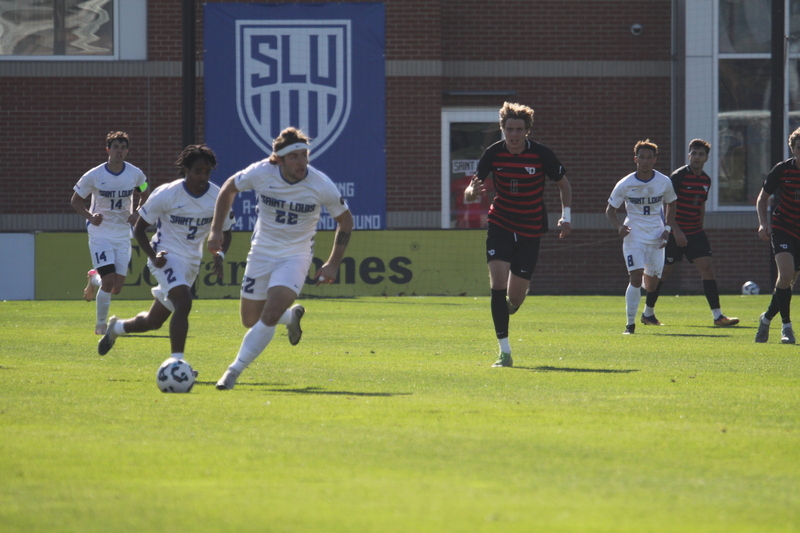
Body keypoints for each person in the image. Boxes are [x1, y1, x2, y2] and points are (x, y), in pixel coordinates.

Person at [208, 127, 354, 390]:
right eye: (295, 157)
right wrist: (216, 229)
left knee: (270, 313)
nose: (303, 162)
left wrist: (332, 262)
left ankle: (232, 372)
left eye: (304, 155)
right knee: (250, 321)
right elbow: (229, 188)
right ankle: (291, 317)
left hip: (295, 257)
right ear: (280, 159)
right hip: (261, 253)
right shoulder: (262, 172)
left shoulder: (320, 184)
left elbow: (345, 221)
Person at [97, 144, 234, 360]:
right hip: (165, 256)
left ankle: (117, 329)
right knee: (184, 302)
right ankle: (176, 363)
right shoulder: (168, 194)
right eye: (198, 171)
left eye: (207, 172)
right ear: (186, 171)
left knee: (153, 321)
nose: (203, 177)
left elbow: (226, 232)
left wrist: (221, 254)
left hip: (191, 264)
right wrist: (153, 256)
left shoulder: (217, 198)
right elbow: (140, 228)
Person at [463, 102, 572, 368]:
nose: (513, 134)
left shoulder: (541, 155)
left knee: (516, 297)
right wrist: (472, 193)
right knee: (497, 286)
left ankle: (510, 307)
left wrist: (565, 215)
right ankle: (505, 352)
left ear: (527, 131)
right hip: (499, 223)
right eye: (509, 129)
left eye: (518, 130)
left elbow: (563, 184)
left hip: (530, 228)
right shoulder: (493, 153)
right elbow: (469, 191)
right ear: (502, 129)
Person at [641, 139, 739, 327]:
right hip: (673, 231)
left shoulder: (706, 180)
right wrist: (675, 230)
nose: (697, 157)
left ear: (706, 158)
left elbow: (701, 204)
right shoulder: (678, 177)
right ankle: (648, 313)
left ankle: (718, 316)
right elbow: (667, 205)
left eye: (700, 154)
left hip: (694, 232)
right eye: (694, 153)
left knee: (708, 269)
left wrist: (699, 229)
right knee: (663, 273)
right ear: (689, 156)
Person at [71, 131, 149, 335]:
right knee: (109, 281)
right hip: (100, 233)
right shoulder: (94, 175)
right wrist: (90, 217)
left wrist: (137, 213)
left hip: (123, 234)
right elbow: (76, 201)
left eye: (123, 148)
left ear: (127, 151)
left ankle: (93, 278)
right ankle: (100, 325)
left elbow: (145, 193)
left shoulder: (136, 174)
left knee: (116, 287)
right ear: (108, 150)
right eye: (115, 147)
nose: (119, 152)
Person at [606, 139, 682, 334]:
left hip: (657, 237)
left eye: (649, 158)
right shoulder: (625, 184)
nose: (645, 161)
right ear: (635, 159)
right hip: (634, 236)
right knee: (635, 278)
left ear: (655, 160)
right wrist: (618, 226)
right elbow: (610, 210)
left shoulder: (664, 181)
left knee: (651, 284)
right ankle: (629, 325)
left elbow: (671, 203)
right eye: (642, 157)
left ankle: (646, 313)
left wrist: (667, 229)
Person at [754, 127, 800, 344]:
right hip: (782, 227)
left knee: (788, 281)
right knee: (786, 273)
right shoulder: (782, 170)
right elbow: (762, 198)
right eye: (799, 148)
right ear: (792, 149)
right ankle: (787, 328)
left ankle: (765, 318)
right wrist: (763, 223)